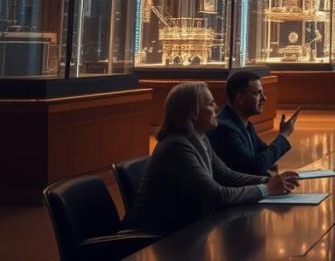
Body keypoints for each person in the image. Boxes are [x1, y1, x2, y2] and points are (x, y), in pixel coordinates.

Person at [126, 82, 300, 235]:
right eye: (210, 104)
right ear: (193, 114)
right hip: (158, 237)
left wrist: (269, 180)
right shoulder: (176, 147)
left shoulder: (200, 138)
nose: (217, 108)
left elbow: (226, 175)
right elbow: (217, 195)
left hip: (186, 230)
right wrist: (266, 189)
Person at [208, 70, 299, 175]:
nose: (264, 98)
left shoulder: (246, 125)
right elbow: (255, 167)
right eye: (258, 93)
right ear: (240, 98)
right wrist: (284, 135)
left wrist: (274, 177)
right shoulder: (225, 129)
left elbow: (265, 154)